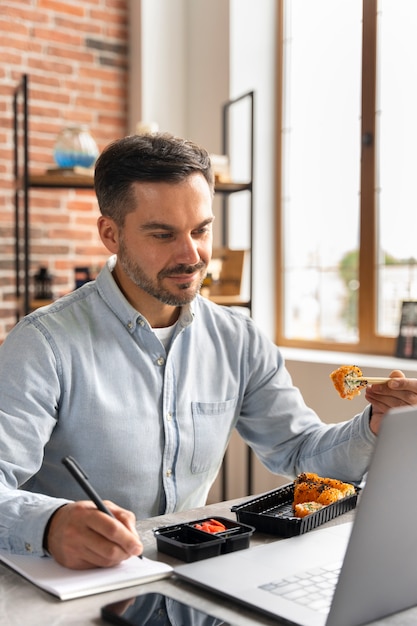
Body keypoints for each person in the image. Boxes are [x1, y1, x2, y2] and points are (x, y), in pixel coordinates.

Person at [0, 133, 416, 571]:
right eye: (163, 234)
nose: (192, 255)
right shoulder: (42, 344)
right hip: (69, 590)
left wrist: (374, 425)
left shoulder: (238, 339)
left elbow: (299, 452)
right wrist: (48, 525)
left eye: (201, 230)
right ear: (111, 234)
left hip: (189, 581)